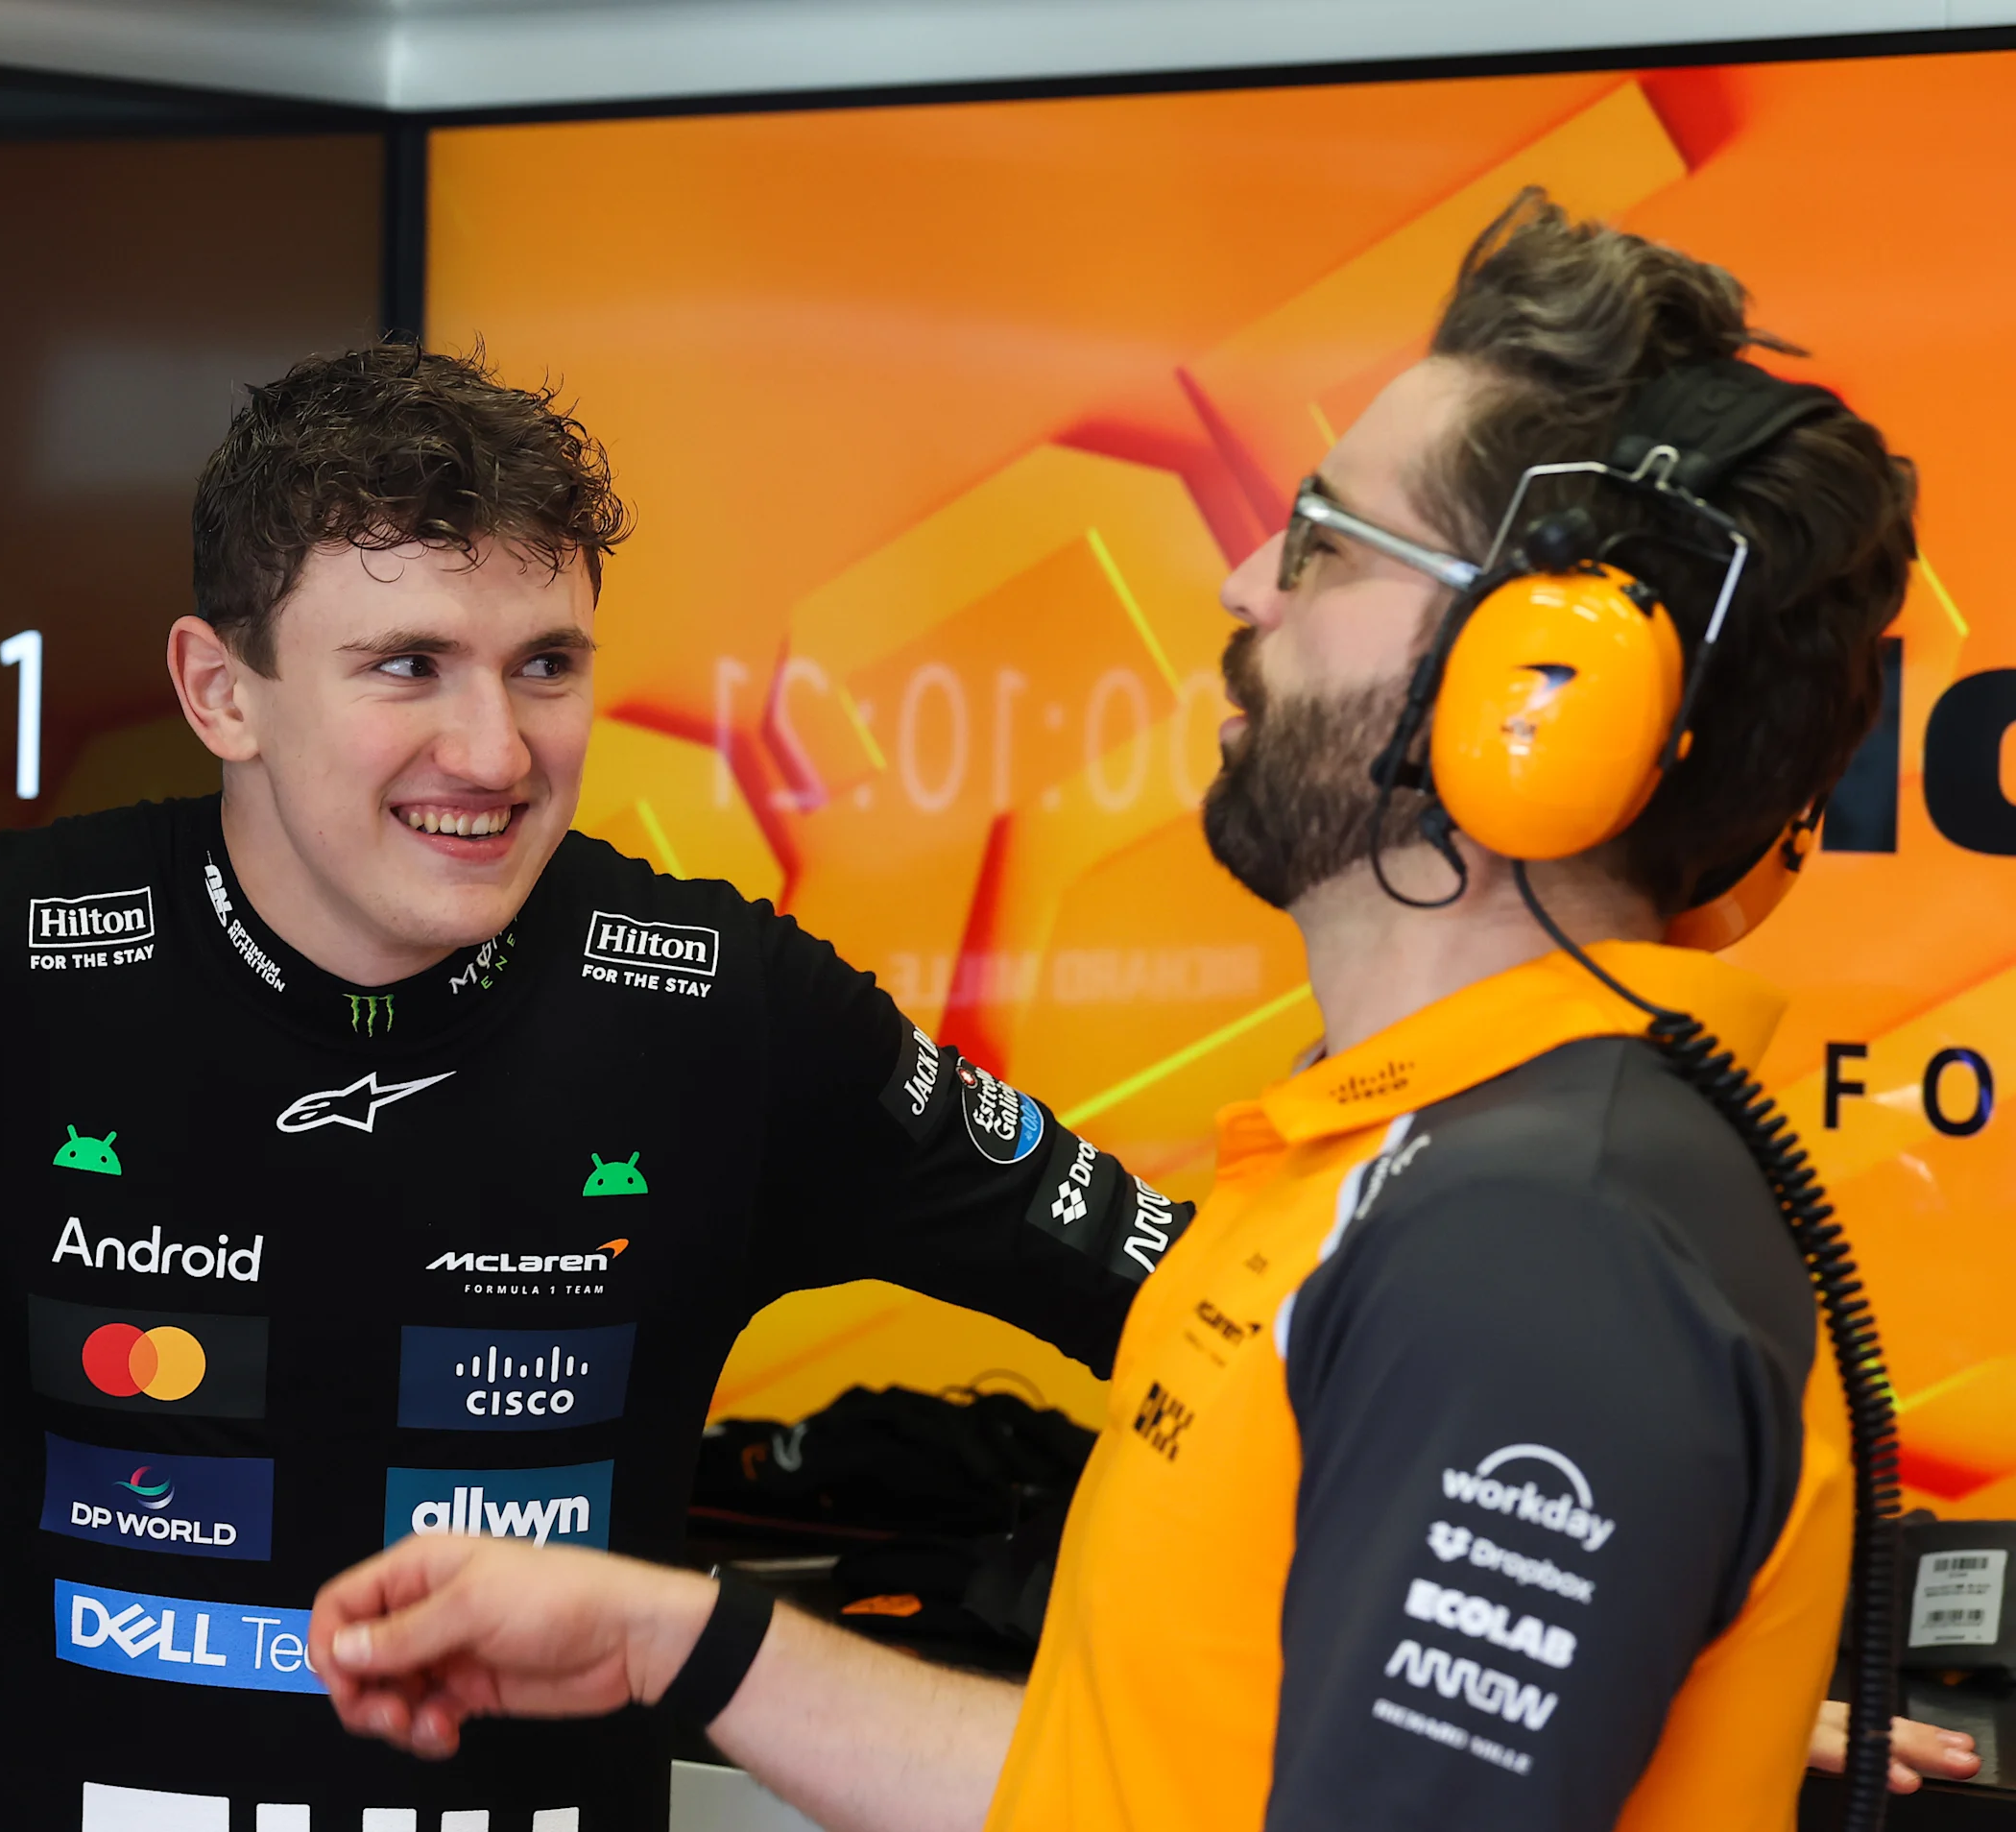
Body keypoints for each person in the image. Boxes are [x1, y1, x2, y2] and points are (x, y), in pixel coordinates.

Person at [304, 195, 1980, 1828]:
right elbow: (1145, 1788)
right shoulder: (1386, 1170)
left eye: (1328, 542)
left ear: (1540, 694)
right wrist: (678, 1641)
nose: (1250, 581)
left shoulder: (1539, 1249)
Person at [0, 343, 1194, 1829]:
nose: (496, 754)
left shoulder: (730, 1011)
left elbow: (1223, 1318)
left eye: (546, 664)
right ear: (220, 691)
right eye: (407, 666)